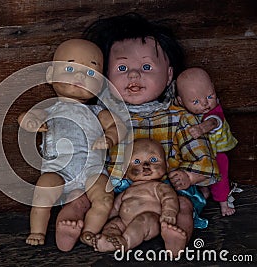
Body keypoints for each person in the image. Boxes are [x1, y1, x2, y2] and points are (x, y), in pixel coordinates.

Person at [84, 12, 220, 251]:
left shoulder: (179, 117)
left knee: (184, 206)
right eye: (122, 67)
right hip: (121, 193)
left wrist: (190, 176)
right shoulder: (106, 117)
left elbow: (201, 154)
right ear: (106, 76)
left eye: (146, 66)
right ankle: (98, 235)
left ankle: (177, 237)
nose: (133, 75)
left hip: (168, 189)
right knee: (96, 203)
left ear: (169, 75)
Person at [18, 39, 125, 251]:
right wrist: (31, 121)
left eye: (91, 73)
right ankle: (37, 231)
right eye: (69, 68)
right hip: (58, 171)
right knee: (43, 190)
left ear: (101, 83)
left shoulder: (97, 112)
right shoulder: (51, 109)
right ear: (50, 75)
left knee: (104, 198)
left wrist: (111, 137)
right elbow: (26, 117)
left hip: (92, 171)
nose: (80, 77)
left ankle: (90, 232)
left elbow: (119, 125)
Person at [93, 138, 186, 257]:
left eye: (153, 159)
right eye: (137, 161)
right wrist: (104, 217)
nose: (146, 165)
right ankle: (110, 241)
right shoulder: (127, 191)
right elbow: (115, 207)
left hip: (152, 221)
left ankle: (126, 242)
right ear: (125, 170)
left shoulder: (159, 187)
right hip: (124, 222)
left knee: (144, 220)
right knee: (113, 225)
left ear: (166, 165)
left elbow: (169, 198)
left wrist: (169, 213)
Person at [176, 67, 238, 216]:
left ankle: (223, 202)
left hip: (216, 155)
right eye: (196, 101)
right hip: (198, 155)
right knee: (194, 171)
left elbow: (213, 123)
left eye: (210, 96)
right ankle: (204, 190)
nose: (205, 104)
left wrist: (202, 128)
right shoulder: (184, 113)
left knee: (220, 178)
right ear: (180, 101)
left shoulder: (214, 112)